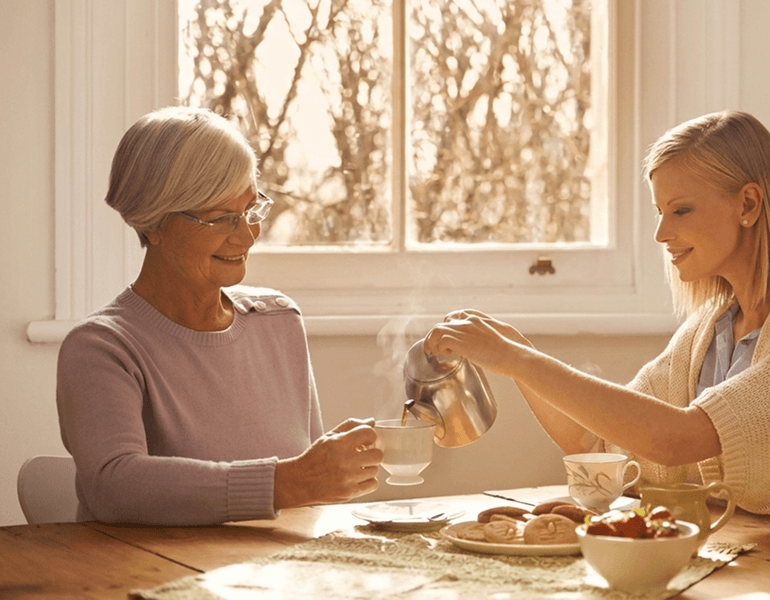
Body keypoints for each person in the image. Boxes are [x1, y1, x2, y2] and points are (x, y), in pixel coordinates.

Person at [424, 110, 770, 514]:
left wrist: (515, 358)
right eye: (660, 213)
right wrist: (514, 352)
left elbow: (676, 439)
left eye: (681, 210)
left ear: (748, 203)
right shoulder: (706, 333)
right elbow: (599, 442)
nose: (661, 234)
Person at [57, 106, 383, 525]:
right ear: (154, 222)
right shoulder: (101, 347)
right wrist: (285, 483)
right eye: (220, 218)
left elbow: (311, 502)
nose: (246, 235)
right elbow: (115, 486)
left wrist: (329, 476)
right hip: (156, 581)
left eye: (250, 210)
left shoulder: (278, 321)